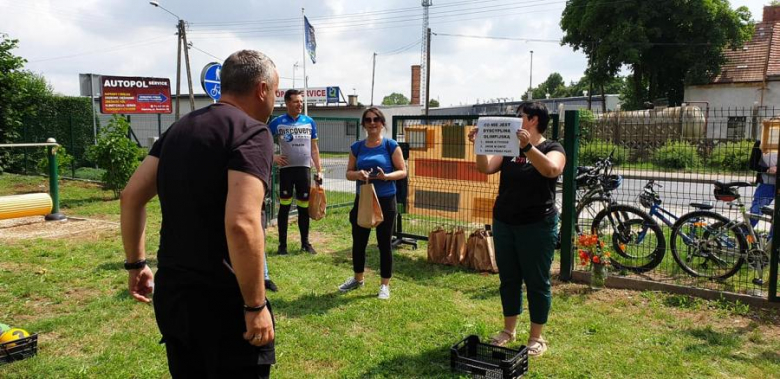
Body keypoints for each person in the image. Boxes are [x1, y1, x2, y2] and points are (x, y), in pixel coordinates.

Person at [120, 50, 278, 378]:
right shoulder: (252, 132)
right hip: (223, 302)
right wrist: (255, 306)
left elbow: (131, 196)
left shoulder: (180, 128)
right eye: (276, 92)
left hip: (176, 298)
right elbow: (242, 223)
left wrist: (136, 264)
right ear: (262, 89)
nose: (274, 101)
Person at [468, 102, 566, 357]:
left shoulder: (552, 148)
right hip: (504, 222)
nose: (516, 119)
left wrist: (527, 147)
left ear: (533, 120)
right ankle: (508, 331)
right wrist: (479, 146)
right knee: (508, 279)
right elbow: (485, 167)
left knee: (536, 281)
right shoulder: (509, 147)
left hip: (537, 225)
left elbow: (551, 169)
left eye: (520, 115)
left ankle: (536, 337)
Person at [338, 107, 407, 299]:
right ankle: (357, 279)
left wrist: (387, 177)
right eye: (368, 120)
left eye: (376, 119)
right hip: (364, 199)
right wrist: (358, 174)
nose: (372, 123)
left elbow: (403, 171)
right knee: (359, 242)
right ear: (364, 125)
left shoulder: (390, 145)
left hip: (386, 200)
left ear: (382, 123)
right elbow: (348, 173)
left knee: (384, 243)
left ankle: (384, 285)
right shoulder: (357, 147)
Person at [268, 89, 323, 255]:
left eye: (301, 101)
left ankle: (305, 243)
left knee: (303, 208)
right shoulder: (277, 122)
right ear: (287, 103)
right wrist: (273, 157)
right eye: (296, 101)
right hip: (286, 171)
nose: (300, 104)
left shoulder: (309, 122)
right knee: (284, 207)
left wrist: (319, 170)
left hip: (304, 171)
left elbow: (314, 149)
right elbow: (261, 141)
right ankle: (282, 245)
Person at [749, 140, 777, 229]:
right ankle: (743, 236)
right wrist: (767, 169)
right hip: (766, 184)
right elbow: (752, 165)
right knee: (756, 211)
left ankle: (772, 241)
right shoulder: (761, 141)